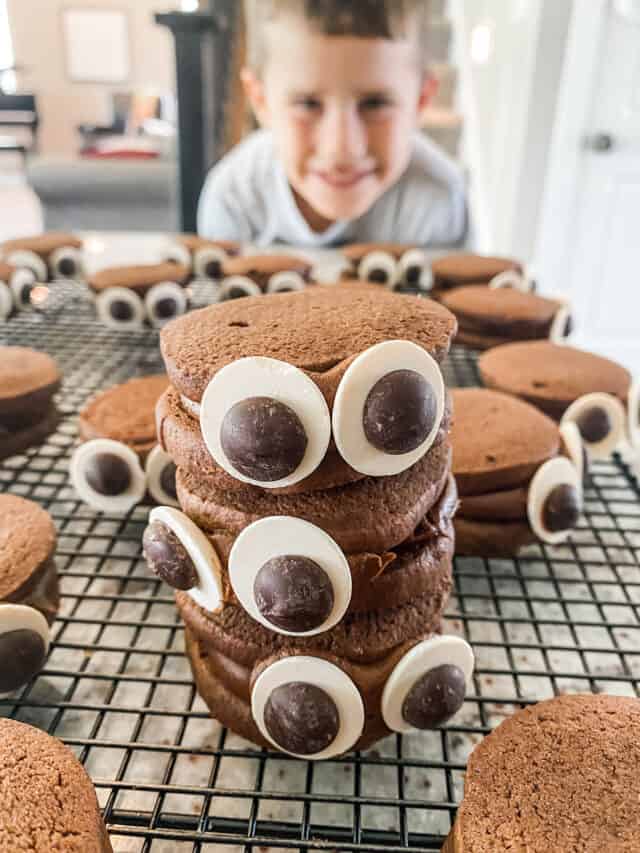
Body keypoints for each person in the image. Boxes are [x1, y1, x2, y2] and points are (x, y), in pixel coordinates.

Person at [197, 0, 468, 249]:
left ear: (421, 101)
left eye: (374, 104)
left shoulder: (437, 202)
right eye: (308, 104)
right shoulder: (235, 200)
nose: (341, 148)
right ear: (261, 100)